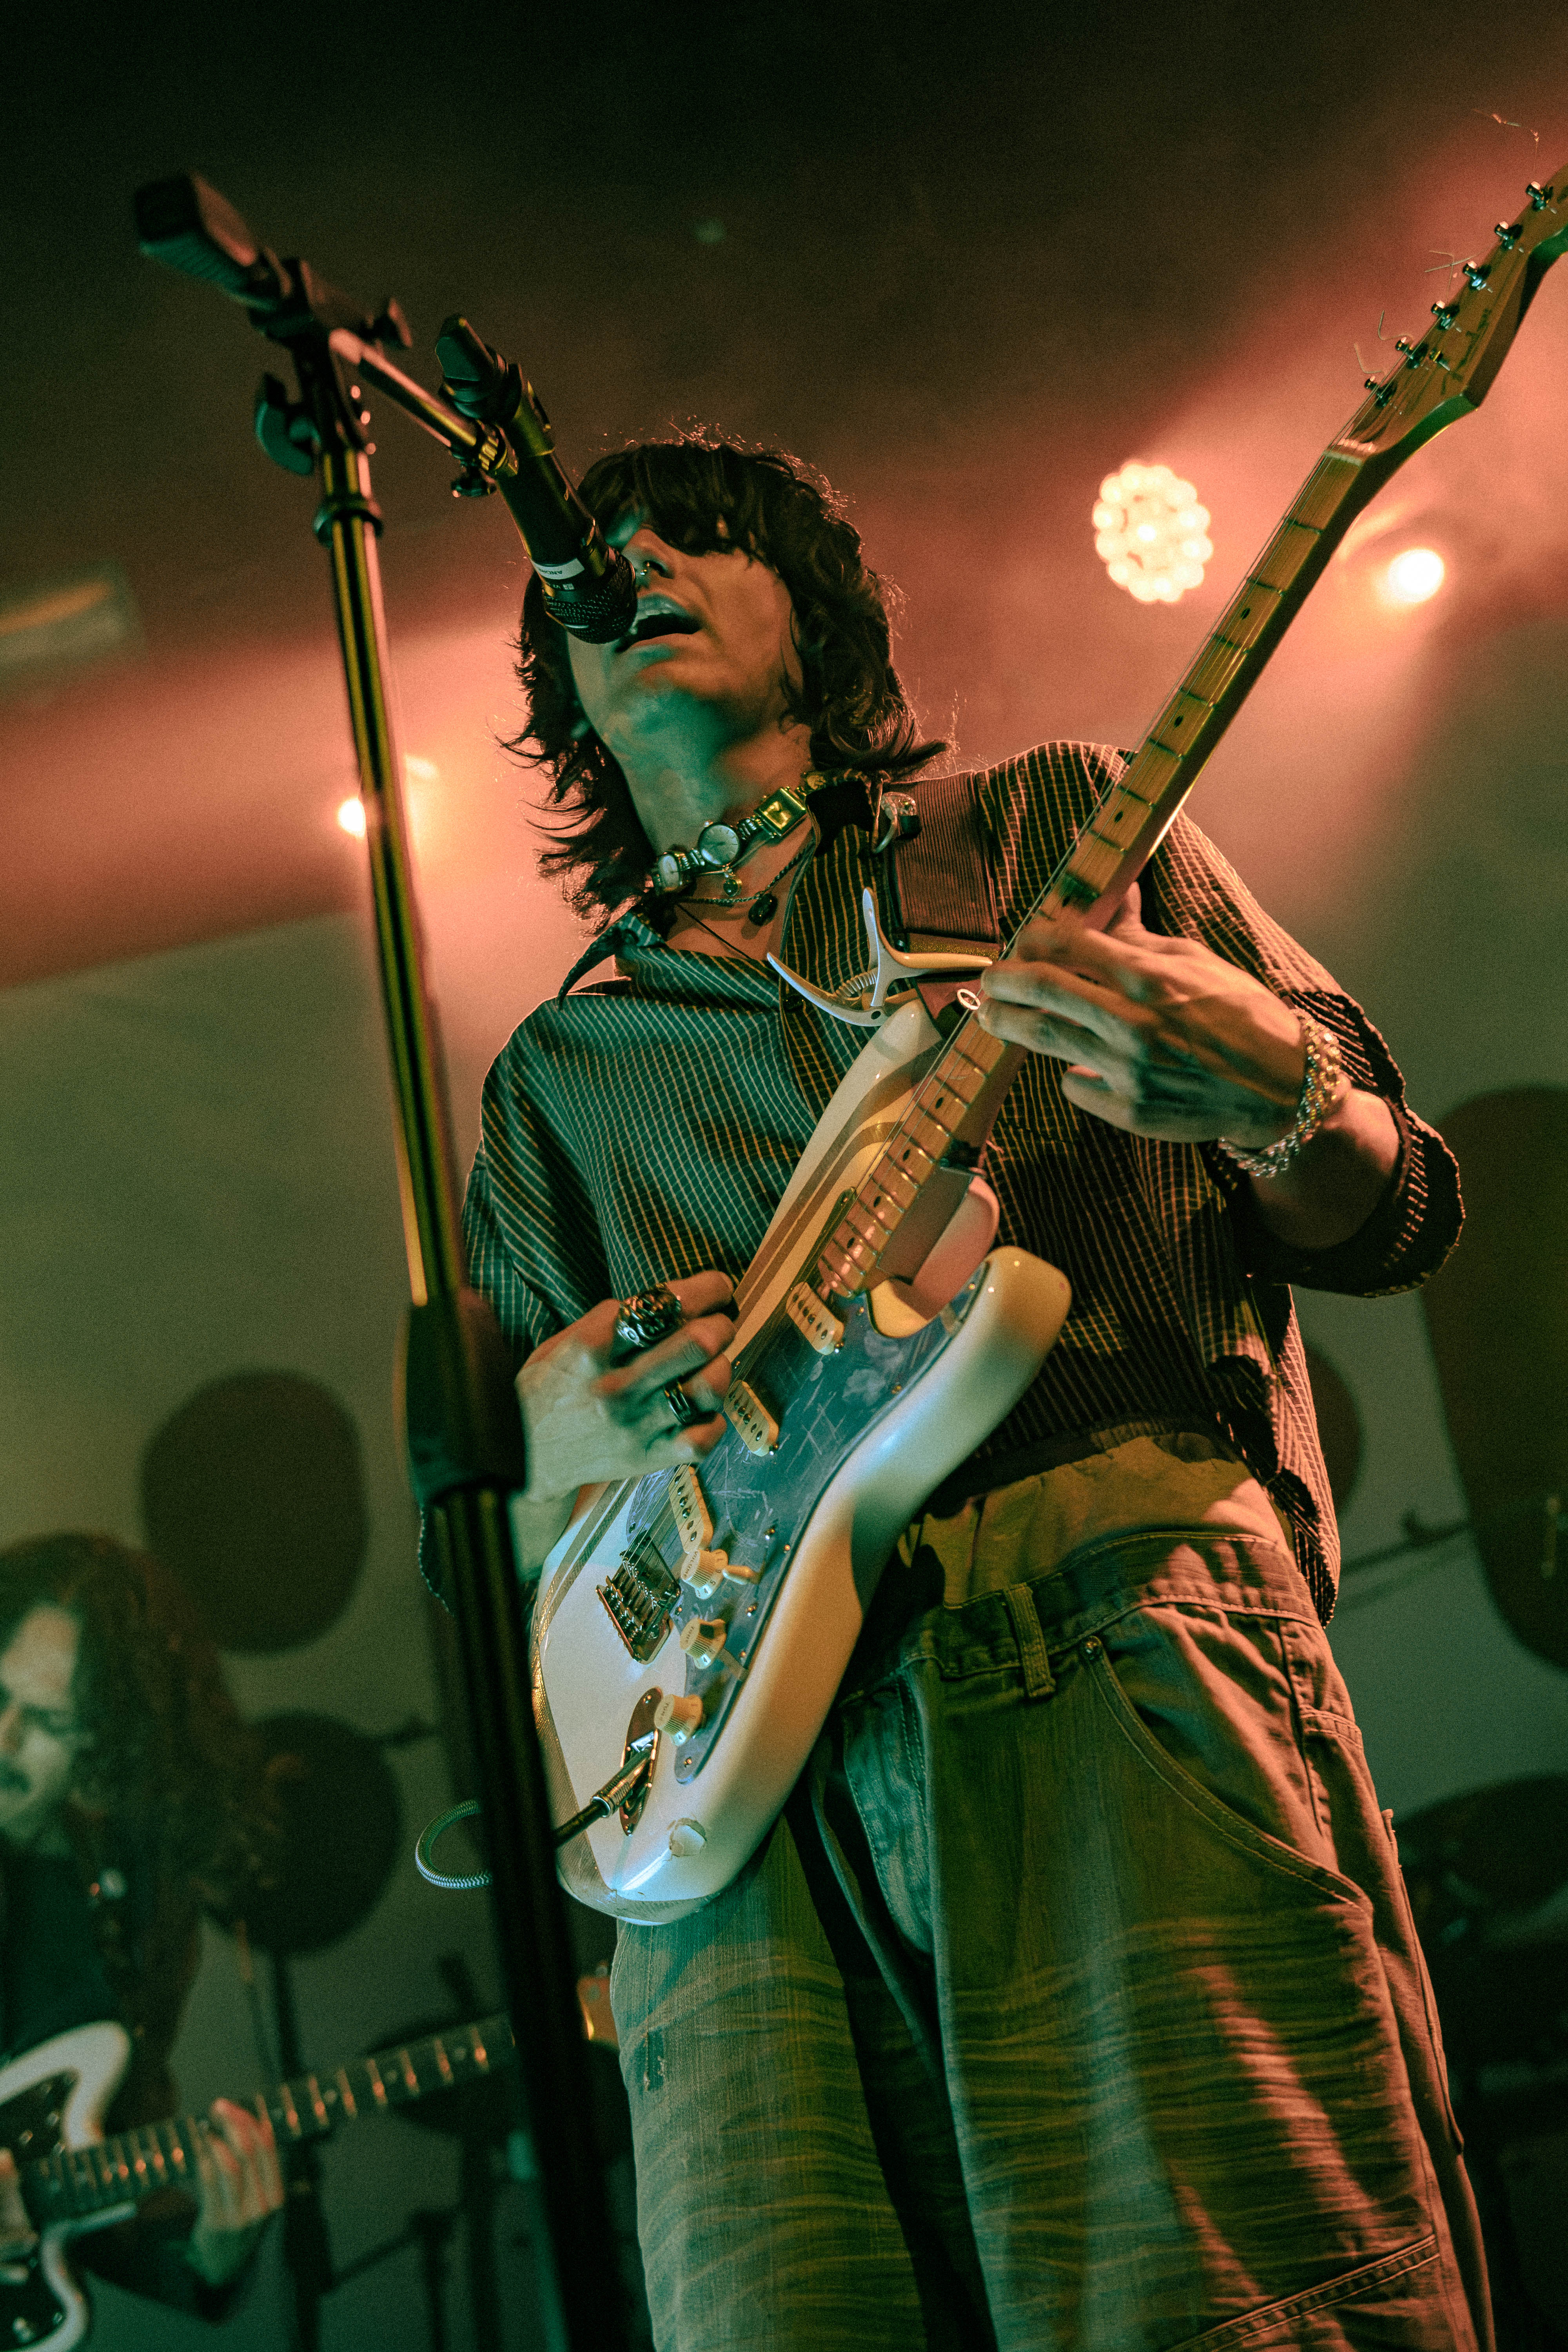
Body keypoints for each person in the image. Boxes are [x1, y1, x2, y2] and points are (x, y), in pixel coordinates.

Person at [459, 438, 1488, 2350]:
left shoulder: (1051, 833)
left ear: (815, 614)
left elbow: (1400, 1207)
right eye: (592, 565)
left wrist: (1272, 1088)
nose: (635, 563)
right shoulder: (556, 1080)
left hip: (1102, 1650)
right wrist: (543, 1450)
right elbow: (522, 1559)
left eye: (696, 534)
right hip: (729, 1830)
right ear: (563, 690)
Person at [0, 1532, 284, 2323]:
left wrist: (210, 2257)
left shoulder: (131, 1905)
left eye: (50, 1721)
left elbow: (103, 2161)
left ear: (105, 1736)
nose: (4, 1741)